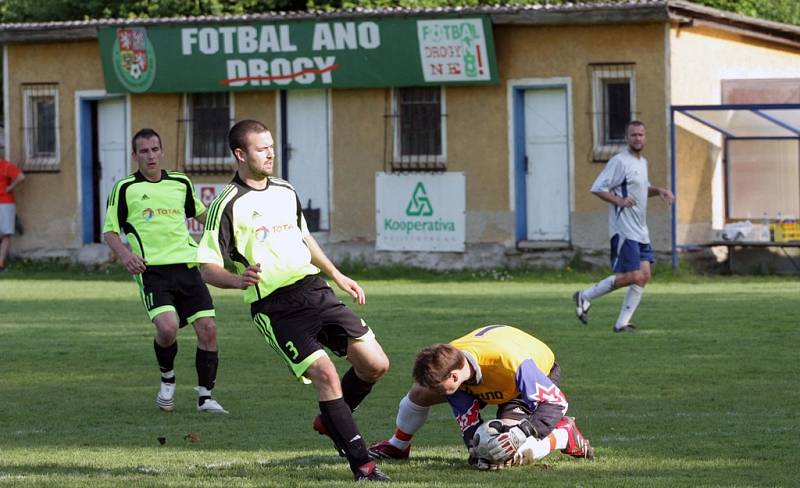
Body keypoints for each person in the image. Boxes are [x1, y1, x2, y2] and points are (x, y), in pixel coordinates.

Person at [197, 119, 391, 482]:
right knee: (326, 374)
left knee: (376, 365)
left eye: (271, 145)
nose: (270, 153)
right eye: (261, 148)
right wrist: (239, 280)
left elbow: (305, 239)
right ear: (240, 154)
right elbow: (207, 267)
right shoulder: (226, 204)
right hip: (275, 306)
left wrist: (337, 275)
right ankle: (363, 465)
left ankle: (330, 420)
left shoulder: (286, 190)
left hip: (314, 290)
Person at [103, 128, 227, 414]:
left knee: (208, 329)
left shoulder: (180, 182)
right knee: (168, 328)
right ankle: (167, 379)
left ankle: (206, 398)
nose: (150, 156)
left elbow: (200, 214)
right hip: (152, 271)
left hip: (187, 265)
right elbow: (110, 232)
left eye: (155, 149)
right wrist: (126, 256)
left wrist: (228, 220)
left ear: (162, 151)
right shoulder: (125, 189)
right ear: (134, 155)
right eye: (144, 151)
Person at [368, 325, 593, 469]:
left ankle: (564, 435)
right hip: (486, 379)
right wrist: (474, 448)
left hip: (528, 377)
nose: (436, 392)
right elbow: (466, 416)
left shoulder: (512, 364)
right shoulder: (453, 362)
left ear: (454, 376)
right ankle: (398, 445)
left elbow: (556, 401)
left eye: (439, 386)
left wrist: (521, 432)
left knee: (507, 453)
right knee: (419, 391)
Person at [574, 120, 674, 333]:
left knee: (644, 275)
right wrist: (618, 201)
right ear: (626, 138)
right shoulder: (619, 161)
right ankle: (585, 296)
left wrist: (660, 191)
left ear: (645, 138)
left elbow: (642, 189)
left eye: (641, 135)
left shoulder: (642, 162)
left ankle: (622, 324)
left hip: (641, 229)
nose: (638, 138)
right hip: (625, 229)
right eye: (633, 135)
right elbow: (597, 188)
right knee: (633, 275)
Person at [0, 158, 24, 271]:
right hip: (5, 203)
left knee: (6, 234)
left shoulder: (6, 166)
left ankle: (0, 263)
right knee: (6, 234)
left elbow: (21, 176)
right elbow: (20, 177)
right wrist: (10, 187)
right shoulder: (5, 165)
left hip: (5, 203)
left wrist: (10, 187)